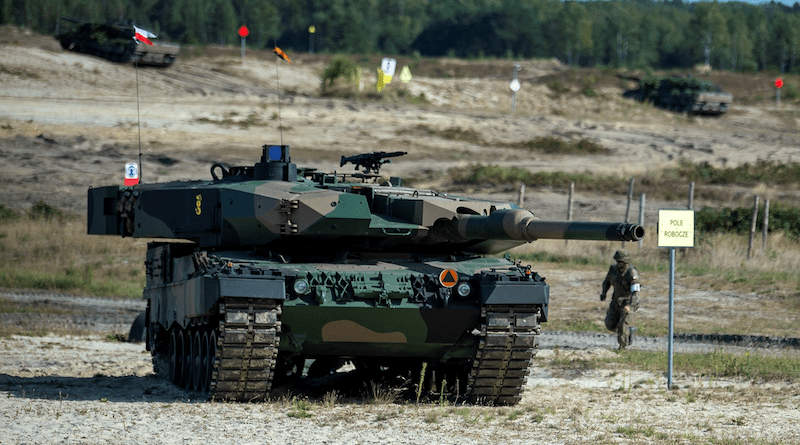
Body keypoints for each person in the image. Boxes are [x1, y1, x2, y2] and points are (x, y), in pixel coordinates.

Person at [600, 249, 640, 350]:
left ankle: (622, 346)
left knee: (623, 324)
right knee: (610, 324)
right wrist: (604, 293)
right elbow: (606, 282)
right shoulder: (613, 269)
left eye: (620, 262)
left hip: (628, 302)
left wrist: (630, 306)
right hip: (616, 301)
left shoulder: (632, 273)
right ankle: (628, 331)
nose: (618, 264)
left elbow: (635, 292)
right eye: (617, 261)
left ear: (626, 262)